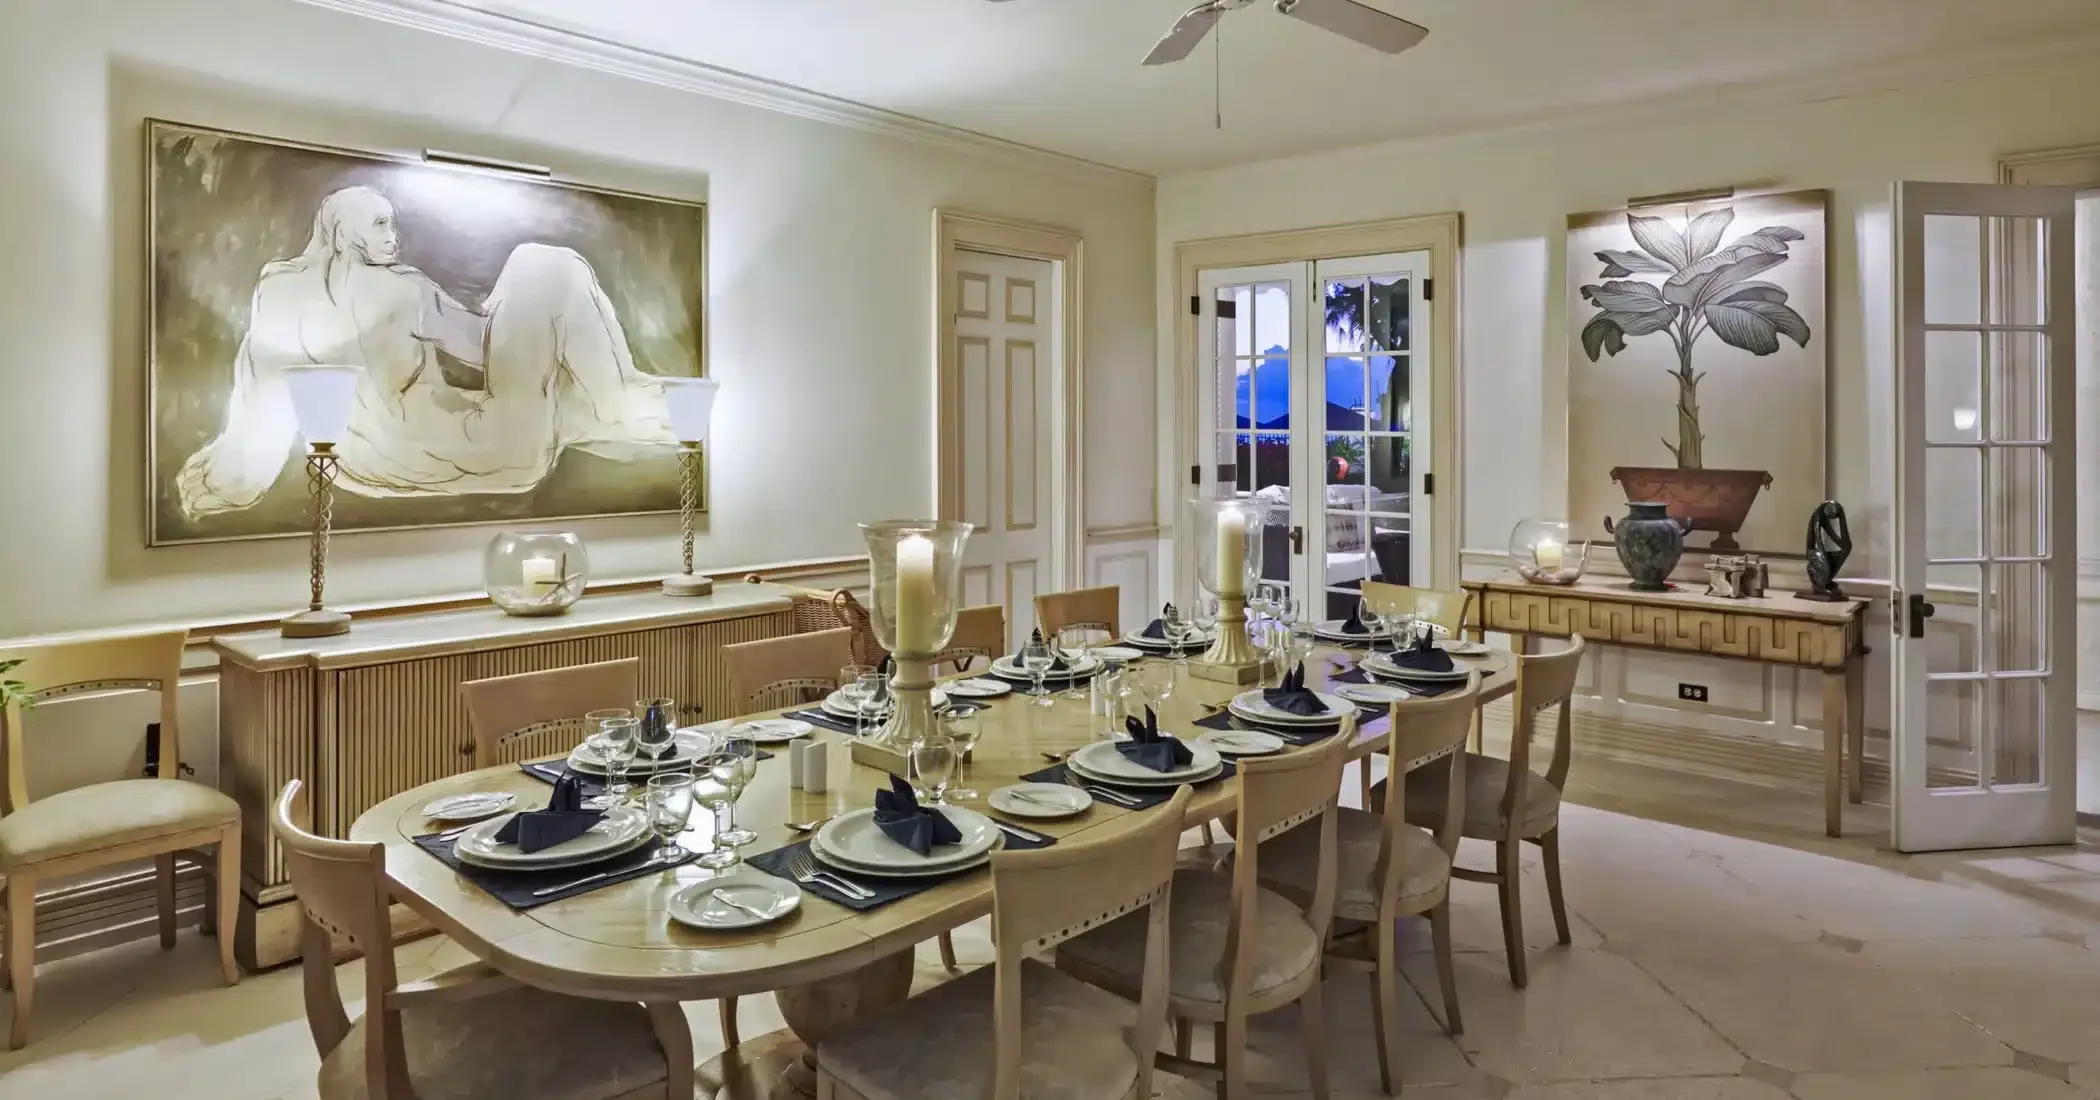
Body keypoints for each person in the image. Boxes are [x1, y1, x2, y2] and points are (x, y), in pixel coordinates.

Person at [177, 185, 676, 518]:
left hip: (367, 470)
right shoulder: (404, 291)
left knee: (573, 411)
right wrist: (513, 312)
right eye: (379, 224)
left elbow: (261, 398)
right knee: (543, 265)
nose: (392, 237)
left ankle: (618, 403)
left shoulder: (277, 292)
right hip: (487, 450)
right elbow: (484, 349)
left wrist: (231, 480)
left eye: (391, 224)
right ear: (344, 231)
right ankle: (618, 396)